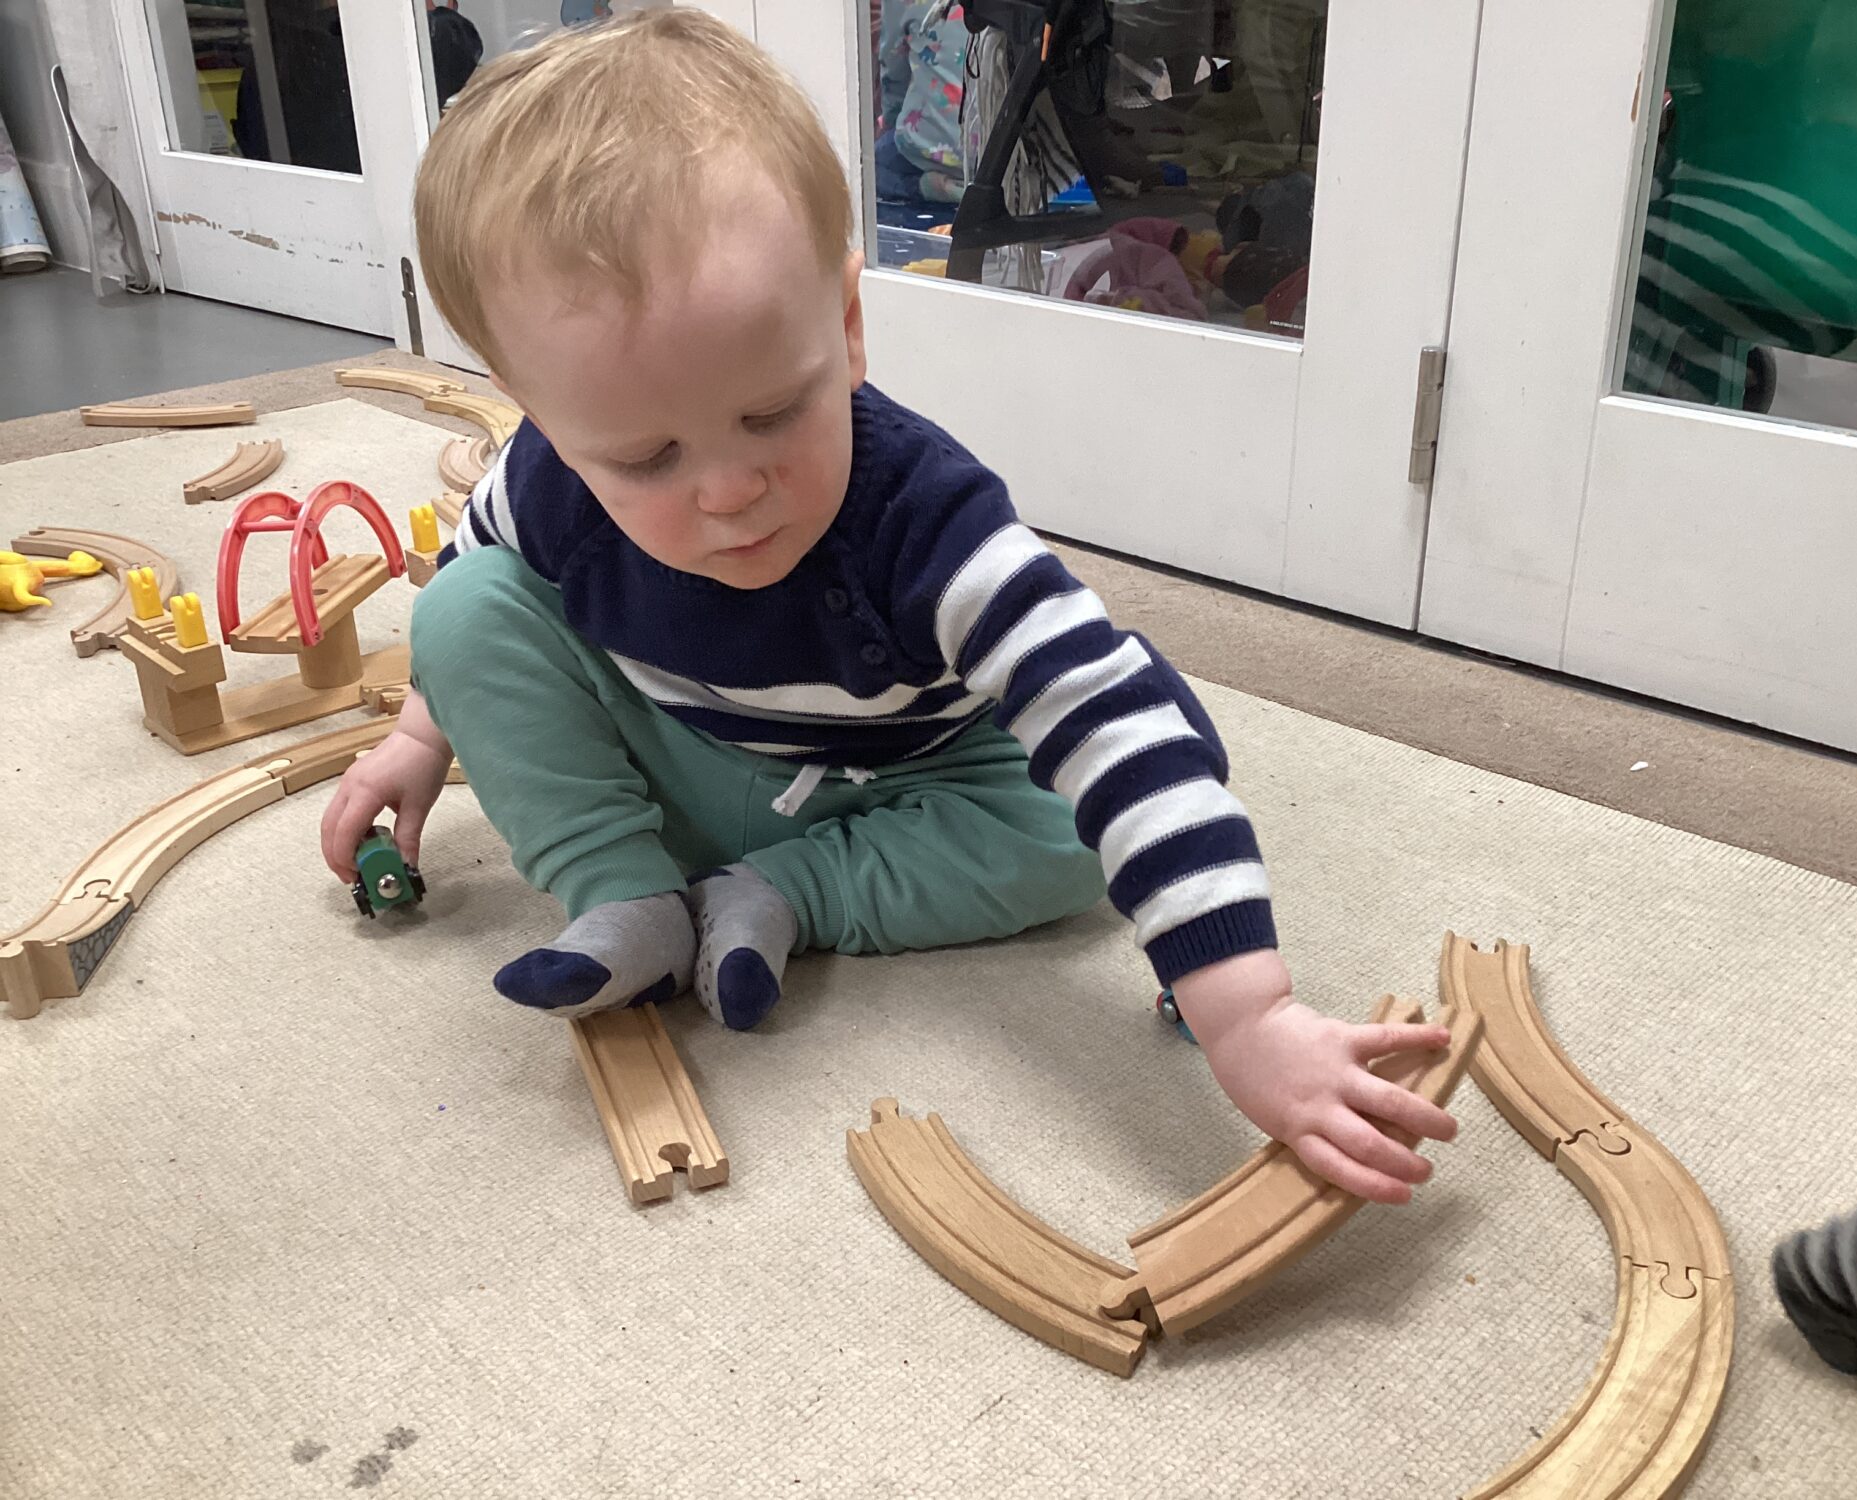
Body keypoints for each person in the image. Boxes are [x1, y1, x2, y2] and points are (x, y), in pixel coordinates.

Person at [318, 8, 1456, 1205]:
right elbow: (479, 591)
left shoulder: (925, 516)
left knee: (1098, 800)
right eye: (644, 458)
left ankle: (788, 891)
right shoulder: (544, 477)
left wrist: (1249, 1015)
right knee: (461, 612)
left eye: (771, 413)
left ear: (848, 327)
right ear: (539, 411)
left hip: (918, 779)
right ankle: (626, 893)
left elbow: (1103, 716)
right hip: (687, 758)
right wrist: (419, 735)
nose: (728, 491)